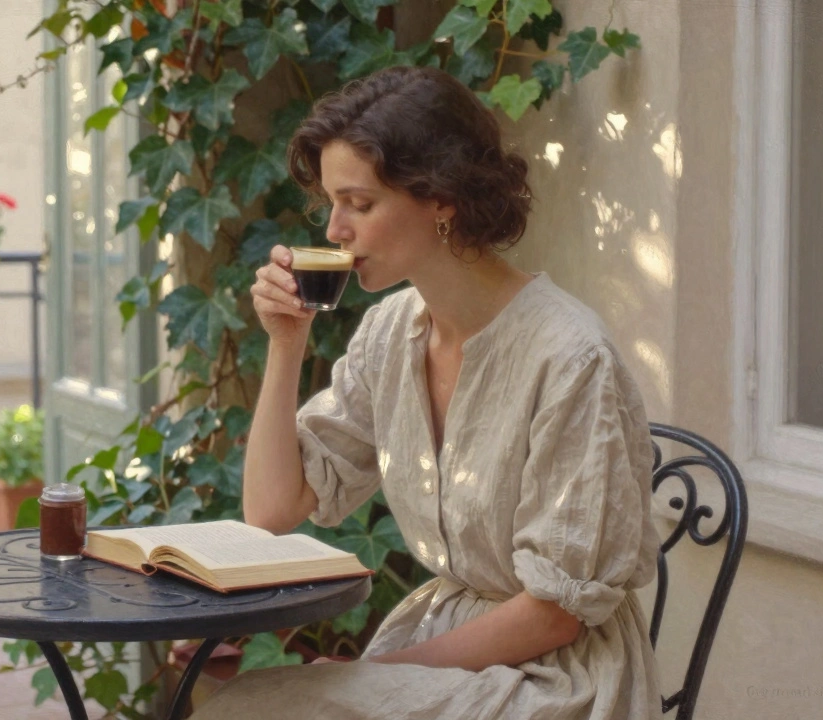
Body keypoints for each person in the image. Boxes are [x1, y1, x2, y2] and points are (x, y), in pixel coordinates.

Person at [192, 66, 662, 719]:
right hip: (446, 647)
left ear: (441, 198)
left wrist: (376, 674)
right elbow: (273, 510)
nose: (334, 231)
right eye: (331, 203)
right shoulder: (391, 333)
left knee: (255, 711)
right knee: (243, 705)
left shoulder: (570, 358)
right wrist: (284, 343)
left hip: (557, 678)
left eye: (359, 203)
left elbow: (555, 617)